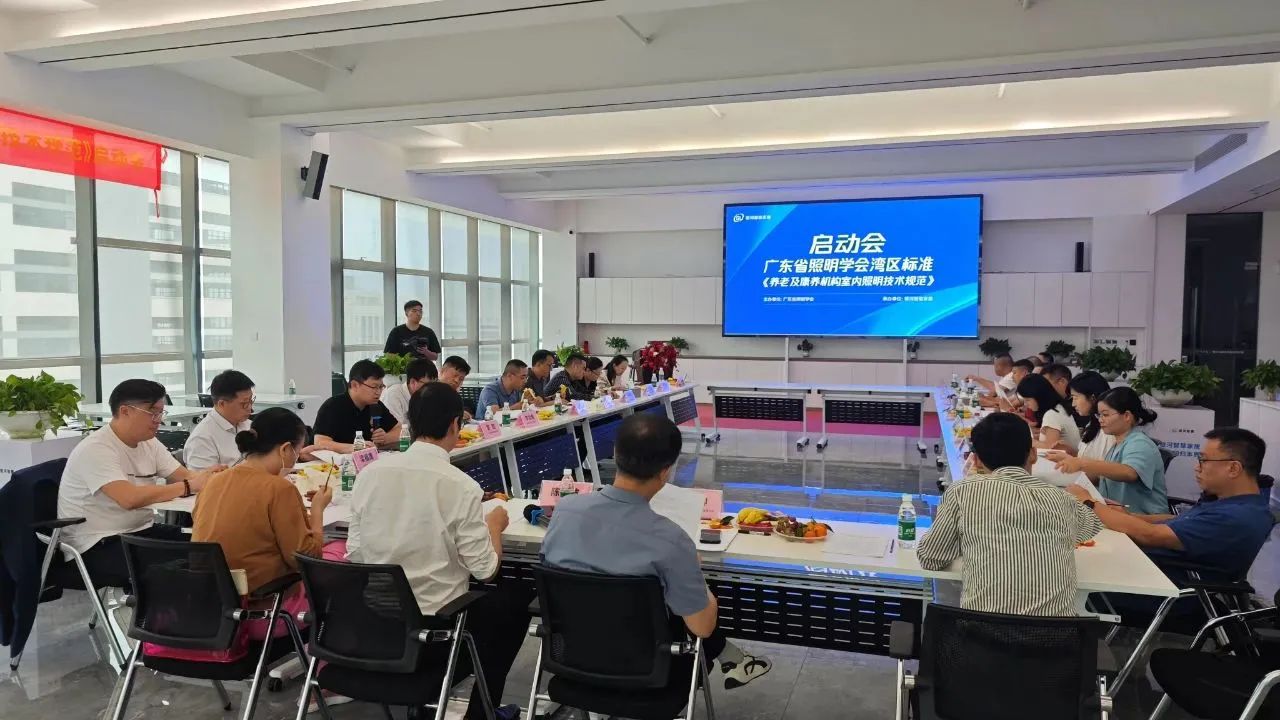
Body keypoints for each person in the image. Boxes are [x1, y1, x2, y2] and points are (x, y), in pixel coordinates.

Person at [542, 414, 773, 689]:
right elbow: (702, 627)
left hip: (571, 663)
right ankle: (730, 657)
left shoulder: (566, 511)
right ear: (666, 471)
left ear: (615, 453)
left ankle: (730, 656)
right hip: (650, 675)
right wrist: (694, 571)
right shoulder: (672, 540)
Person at [346, 383, 527, 720]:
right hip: (437, 629)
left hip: (374, 623)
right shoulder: (460, 486)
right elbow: (485, 570)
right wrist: (494, 525)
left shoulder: (369, 475)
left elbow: (356, 553)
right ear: (456, 424)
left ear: (410, 423)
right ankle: (482, 713)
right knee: (514, 604)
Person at [917, 412, 1102, 616]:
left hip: (980, 632)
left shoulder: (962, 492)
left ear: (976, 461)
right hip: (1056, 634)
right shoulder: (1063, 500)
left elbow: (931, 558)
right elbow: (1090, 527)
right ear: (1033, 454)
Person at [57, 379, 222, 586]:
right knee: (196, 561)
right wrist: (189, 486)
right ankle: (165, 607)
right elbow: (129, 499)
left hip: (140, 531)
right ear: (125, 411)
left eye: (161, 413)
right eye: (153, 413)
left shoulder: (149, 442)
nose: (159, 420)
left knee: (214, 545)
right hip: (98, 544)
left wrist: (213, 476)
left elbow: (185, 476)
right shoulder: (96, 448)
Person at [1066, 428, 1272, 586]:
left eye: (1203, 460)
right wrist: (1130, 517)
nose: (1197, 467)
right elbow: (1182, 522)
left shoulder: (1235, 516)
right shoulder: (1230, 503)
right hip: (1149, 569)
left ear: (1233, 468)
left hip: (1162, 586)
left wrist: (1089, 503)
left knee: (1065, 567)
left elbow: (1151, 535)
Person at [193, 408, 332, 613]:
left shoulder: (214, 481)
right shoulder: (279, 488)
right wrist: (318, 511)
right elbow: (305, 558)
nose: (296, 459)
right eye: (298, 452)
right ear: (285, 449)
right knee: (338, 554)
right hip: (260, 599)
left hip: (208, 596)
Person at [1052, 387, 1168, 515]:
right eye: (1099, 415)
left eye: (1105, 415)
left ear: (1127, 416)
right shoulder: (1118, 444)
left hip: (1143, 519)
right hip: (1120, 515)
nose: (1100, 419)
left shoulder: (1140, 443)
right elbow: (1104, 479)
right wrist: (1067, 467)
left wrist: (1081, 463)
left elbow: (1129, 472)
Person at [311, 360, 401, 453]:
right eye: (374, 387)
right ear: (354, 385)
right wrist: (356, 447)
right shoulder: (332, 406)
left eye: (381, 387)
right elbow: (320, 442)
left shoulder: (376, 406)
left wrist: (385, 438)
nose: (378, 392)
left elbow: (399, 430)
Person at [183, 369, 255, 470]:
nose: (250, 407)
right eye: (244, 403)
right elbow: (205, 478)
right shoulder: (202, 439)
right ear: (222, 404)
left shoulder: (249, 426)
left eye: (251, 400)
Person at [1016, 373, 1081, 452]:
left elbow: (1050, 448)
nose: (1025, 404)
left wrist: (1027, 440)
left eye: (1027, 400)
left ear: (1039, 396)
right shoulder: (1059, 407)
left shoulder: (1052, 414)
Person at [1058, 371, 1115, 460]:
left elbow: (1104, 465)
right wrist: (1071, 452)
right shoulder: (1092, 423)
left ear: (1092, 398)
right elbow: (1089, 458)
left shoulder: (1109, 430)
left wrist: (1073, 460)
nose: (1073, 404)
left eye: (1075, 397)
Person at [381, 358, 437, 430]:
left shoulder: (427, 397)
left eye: (435, 384)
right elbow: (396, 430)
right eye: (429, 385)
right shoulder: (394, 394)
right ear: (413, 382)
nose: (433, 389)